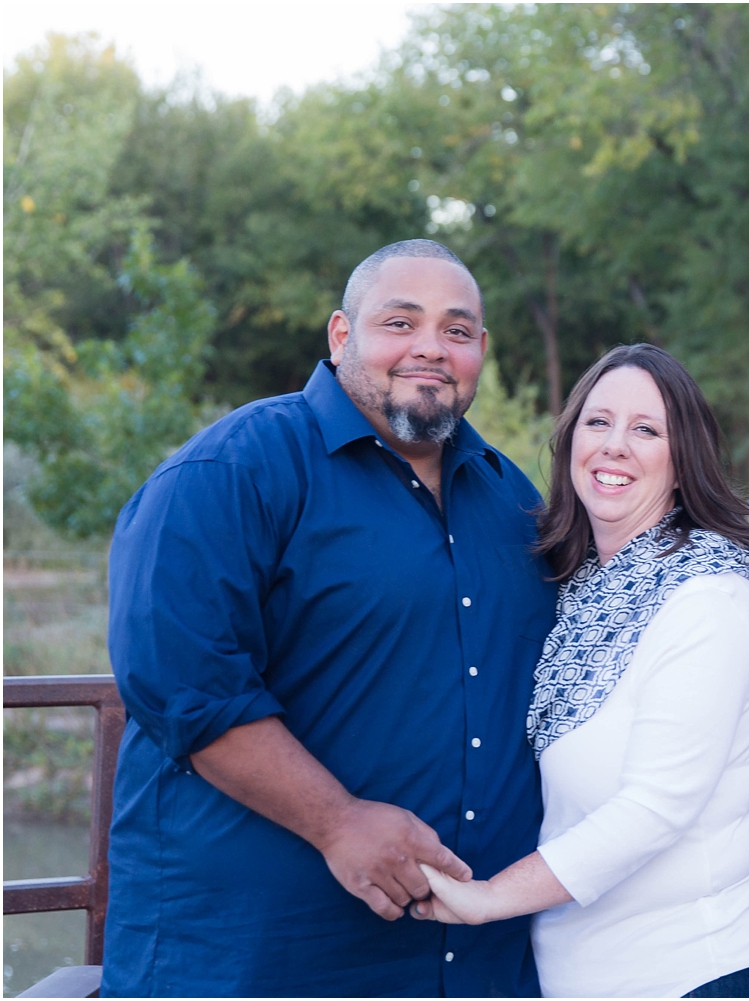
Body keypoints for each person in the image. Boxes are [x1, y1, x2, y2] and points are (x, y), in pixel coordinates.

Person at [103, 239, 556, 996]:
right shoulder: (232, 471)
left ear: (481, 349)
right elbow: (186, 684)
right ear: (341, 336)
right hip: (256, 958)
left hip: (472, 961)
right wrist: (338, 820)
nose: (429, 349)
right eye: (400, 322)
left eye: (456, 330)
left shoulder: (515, 502)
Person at [412, 343, 749, 999]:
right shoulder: (575, 594)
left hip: (702, 968)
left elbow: (654, 809)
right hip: (588, 973)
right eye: (598, 423)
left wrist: (486, 899)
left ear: (682, 462)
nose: (615, 445)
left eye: (646, 429)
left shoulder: (705, 596)